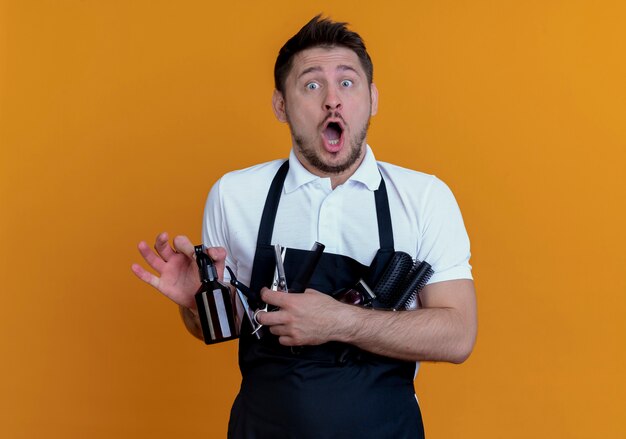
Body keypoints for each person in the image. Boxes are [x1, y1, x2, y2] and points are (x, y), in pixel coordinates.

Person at [132, 15, 477, 439]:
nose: (332, 100)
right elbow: (222, 326)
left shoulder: (424, 198)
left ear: (372, 98)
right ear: (281, 105)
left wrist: (339, 321)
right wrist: (196, 303)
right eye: (312, 85)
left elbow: (458, 334)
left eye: (347, 83)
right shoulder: (235, 195)